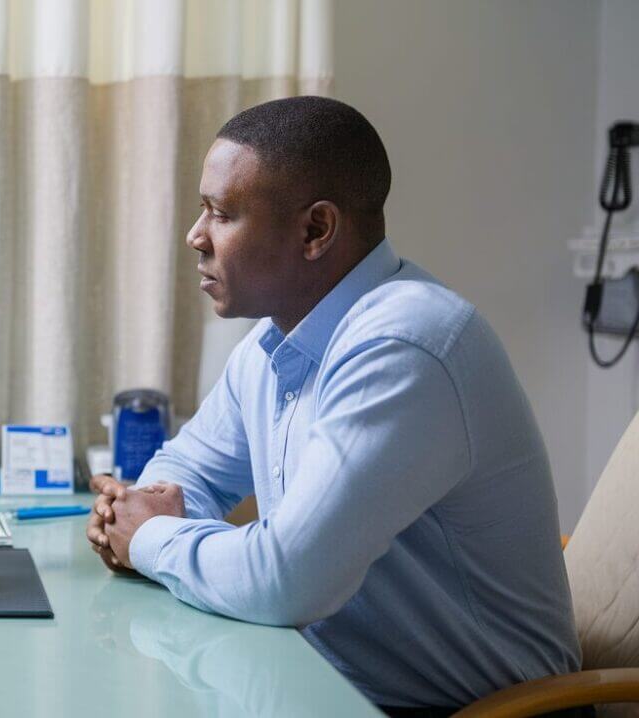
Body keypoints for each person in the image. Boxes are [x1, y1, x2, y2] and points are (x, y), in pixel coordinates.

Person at [85, 96, 581, 715]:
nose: (195, 236)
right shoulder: (273, 343)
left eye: (221, 213)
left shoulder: (405, 347)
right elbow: (186, 471)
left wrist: (151, 536)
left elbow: (284, 581)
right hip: (326, 690)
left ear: (316, 230)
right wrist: (145, 513)